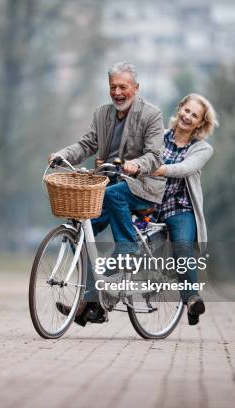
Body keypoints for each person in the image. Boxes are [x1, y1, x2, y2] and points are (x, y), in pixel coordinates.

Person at [48, 61, 165, 326]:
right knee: (82, 228)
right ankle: (92, 302)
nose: (117, 92)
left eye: (123, 87)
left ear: (135, 88)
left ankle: (128, 248)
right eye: (113, 87)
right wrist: (62, 155)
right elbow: (86, 144)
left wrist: (138, 165)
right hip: (108, 184)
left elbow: (156, 155)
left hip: (141, 186)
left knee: (114, 196)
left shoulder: (151, 114)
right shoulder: (102, 114)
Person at [151, 93, 218, 325]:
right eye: (186, 111)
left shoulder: (202, 149)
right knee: (126, 247)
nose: (188, 117)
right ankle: (93, 303)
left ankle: (191, 300)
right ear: (179, 109)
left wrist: (160, 169)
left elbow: (185, 168)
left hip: (180, 208)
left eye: (194, 115)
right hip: (152, 206)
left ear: (201, 123)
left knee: (182, 246)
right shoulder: (158, 138)